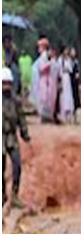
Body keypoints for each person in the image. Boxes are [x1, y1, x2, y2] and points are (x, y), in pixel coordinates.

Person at [3, 67, 31, 209]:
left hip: (11, 136)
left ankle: (15, 194)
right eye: (3, 83)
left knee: (17, 165)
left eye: (8, 83)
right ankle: (2, 195)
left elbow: (21, 118)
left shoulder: (16, 101)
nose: (5, 86)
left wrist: (25, 134)